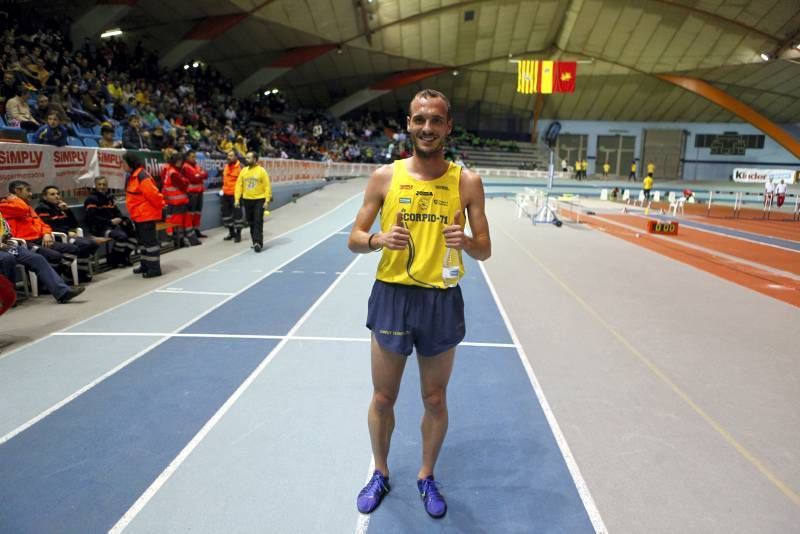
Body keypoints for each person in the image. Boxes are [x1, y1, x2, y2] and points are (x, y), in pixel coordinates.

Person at [347, 89, 491, 519]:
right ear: (408, 124)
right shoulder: (384, 177)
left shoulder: (467, 182)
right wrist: (378, 239)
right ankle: (380, 472)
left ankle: (426, 475)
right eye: (419, 120)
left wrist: (465, 241)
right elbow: (354, 239)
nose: (426, 128)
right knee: (383, 398)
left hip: (441, 300)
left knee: (434, 399)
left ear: (448, 126)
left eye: (435, 120)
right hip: (392, 296)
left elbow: (485, 249)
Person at [0, 212, 84, 304]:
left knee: (37, 259)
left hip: (7, 246)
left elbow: (5, 229)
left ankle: (62, 292)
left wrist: (6, 236)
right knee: (7, 259)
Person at [0, 180, 78, 276]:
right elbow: (21, 209)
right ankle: (60, 273)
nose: (31, 194)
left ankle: (66, 272)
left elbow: (42, 224)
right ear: (18, 191)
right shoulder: (5, 206)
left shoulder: (28, 207)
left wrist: (46, 233)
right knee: (54, 256)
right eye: (27, 190)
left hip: (39, 239)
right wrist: (15, 199)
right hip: (23, 243)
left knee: (72, 248)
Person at [35, 185, 98, 282]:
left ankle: (79, 272)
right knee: (84, 244)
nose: (57, 196)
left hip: (68, 235)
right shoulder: (42, 209)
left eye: (58, 194)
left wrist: (67, 211)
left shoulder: (59, 208)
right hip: (58, 238)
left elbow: (74, 224)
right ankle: (73, 273)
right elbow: (49, 227)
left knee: (92, 243)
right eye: (52, 194)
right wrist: (67, 232)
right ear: (44, 197)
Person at [123, 153, 164, 278]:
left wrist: (159, 208)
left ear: (131, 163)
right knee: (143, 243)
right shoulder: (133, 176)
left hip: (146, 216)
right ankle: (145, 265)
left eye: (124, 163)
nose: (122, 165)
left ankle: (155, 269)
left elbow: (154, 195)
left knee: (150, 244)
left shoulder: (141, 176)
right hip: (139, 216)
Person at [83, 176, 136, 267]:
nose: (102, 187)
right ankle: (114, 259)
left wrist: (123, 220)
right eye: (99, 184)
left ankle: (124, 256)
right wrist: (110, 222)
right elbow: (91, 219)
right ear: (95, 186)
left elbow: (117, 213)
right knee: (121, 236)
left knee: (134, 234)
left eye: (104, 184)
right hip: (99, 229)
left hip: (112, 227)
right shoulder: (91, 199)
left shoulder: (109, 199)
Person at [234, 151, 271, 253]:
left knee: (258, 221)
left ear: (255, 160)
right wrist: (237, 199)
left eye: (249, 158)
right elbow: (239, 185)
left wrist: (267, 200)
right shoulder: (243, 171)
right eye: (246, 158)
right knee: (250, 222)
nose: (246, 160)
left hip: (259, 199)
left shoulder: (262, 171)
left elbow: (267, 186)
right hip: (247, 200)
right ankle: (255, 241)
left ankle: (258, 242)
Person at [161, 150, 199, 248]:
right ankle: (180, 243)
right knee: (179, 225)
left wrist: (184, 180)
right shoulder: (174, 173)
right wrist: (185, 181)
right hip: (176, 203)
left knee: (185, 223)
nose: (180, 163)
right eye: (179, 161)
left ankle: (189, 241)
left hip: (177, 203)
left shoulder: (172, 170)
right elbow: (183, 185)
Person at [181, 150, 209, 239]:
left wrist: (199, 175)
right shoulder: (185, 167)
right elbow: (193, 178)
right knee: (191, 213)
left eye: (195, 157)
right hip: (191, 193)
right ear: (187, 157)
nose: (194, 159)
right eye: (192, 157)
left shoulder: (196, 166)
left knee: (198, 212)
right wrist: (200, 175)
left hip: (199, 192)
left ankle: (196, 230)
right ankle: (191, 232)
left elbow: (206, 174)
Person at [221, 150, 244, 242]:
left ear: (236, 157)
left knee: (238, 215)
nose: (228, 157)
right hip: (226, 194)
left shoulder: (241, 167)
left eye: (231, 156)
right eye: (228, 155)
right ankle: (231, 233)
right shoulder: (226, 166)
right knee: (226, 215)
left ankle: (238, 234)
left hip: (236, 196)